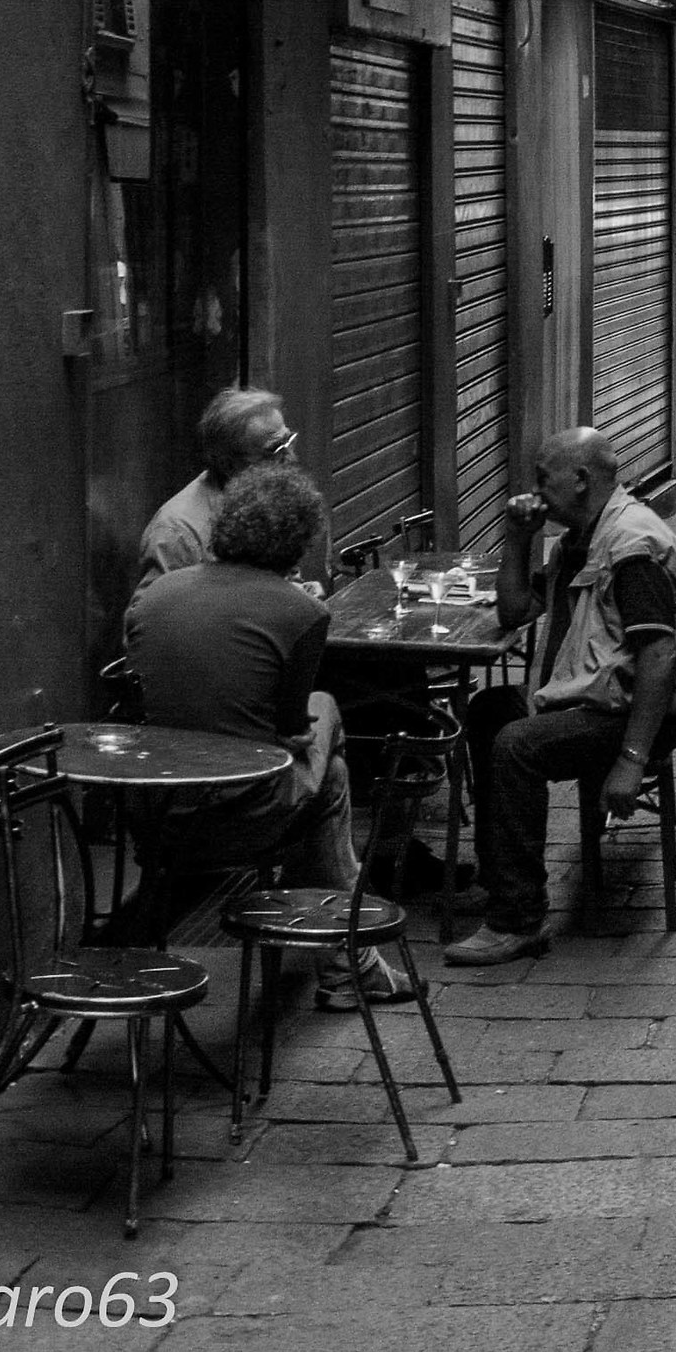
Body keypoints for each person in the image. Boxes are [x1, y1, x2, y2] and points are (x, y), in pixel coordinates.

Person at [123, 463, 411, 1009]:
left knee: (329, 779)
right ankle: (344, 958)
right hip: (244, 816)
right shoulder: (302, 611)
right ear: (298, 544)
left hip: (155, 812)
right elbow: (292, 729)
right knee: (328, 731)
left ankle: (343, 957)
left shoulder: (155, 596)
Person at [444, 428, 676, 965]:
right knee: (489, 711)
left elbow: (658, 657)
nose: (536, 491)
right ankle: (502, 879)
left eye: (543, 479)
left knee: (517, 745)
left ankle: (518, 919)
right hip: (585, 694)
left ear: (581, 480)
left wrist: (632, 760)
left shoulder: (631, 544)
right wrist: (517, 538)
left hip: (631, 712)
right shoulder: (581, 538)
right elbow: (514, 612)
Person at [134, 386, 297, 598]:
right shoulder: (177, 534)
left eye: (289, 441)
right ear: (228, 464)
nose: (290, 459)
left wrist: (297, 591)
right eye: (275, 450)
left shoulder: (267, 494)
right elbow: (152, 615)